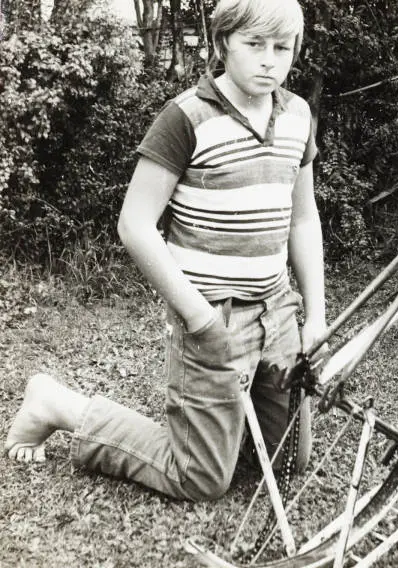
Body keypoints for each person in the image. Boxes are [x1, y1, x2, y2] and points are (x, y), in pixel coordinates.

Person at [4, 0, 325, 502]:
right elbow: (134, 224)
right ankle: (59, 406)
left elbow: (303, 218)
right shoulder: (185, 118)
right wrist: (200, 318)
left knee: (288, 462)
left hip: (277, 312)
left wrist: (315, 313)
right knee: (199, 479)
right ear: (222, 45)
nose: (269, 60)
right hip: (212, 315)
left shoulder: (298, 115)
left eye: (281, 48)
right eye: (254, 45)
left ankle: (225, 418)